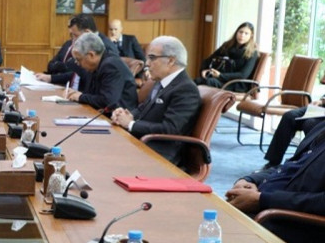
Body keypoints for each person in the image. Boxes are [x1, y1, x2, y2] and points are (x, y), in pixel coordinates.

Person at [227, 119, 325, 243]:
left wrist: (262, 200)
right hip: (264, 208)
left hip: (292, 225)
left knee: (209, 237)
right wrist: (250, 180)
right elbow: (290, 167)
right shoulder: (321, 127)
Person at [111, 36, 201, 166]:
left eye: (152, 58)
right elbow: (143, 108)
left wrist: (130, 124)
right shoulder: (162, 81)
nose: (147, 63)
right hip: (144, 142)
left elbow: (170, 129)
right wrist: (126, 115)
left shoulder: (186, 89)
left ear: (171, 60)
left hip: (160, 153)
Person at [36, 14, 117, 87]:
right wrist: (51, 78)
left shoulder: (104, 48)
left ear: (87, 32)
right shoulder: (87, 43)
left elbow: (87, 76)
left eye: (75, 35)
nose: (73, 40)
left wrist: (80, 96)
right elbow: (78, 73)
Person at [65, 32, 138, 112]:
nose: (77, 63)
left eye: (78, 59)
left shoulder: (110, 65)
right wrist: (77, 94)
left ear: (91, 55)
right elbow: (92, 94)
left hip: (118, 115)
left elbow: (108, 101)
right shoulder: (95, 65)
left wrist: (80, 97)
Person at [262, 96, 325, 168]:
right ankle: (273, 162)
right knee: (289, 116)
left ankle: (299, 165)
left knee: (309, 123)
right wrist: (322, 100)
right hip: (322, 108)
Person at [194, 22, 258, 92]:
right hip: (220, 78)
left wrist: (220, 75)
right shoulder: (227, 45)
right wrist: (205, 69)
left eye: (246, 33)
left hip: (236, 84)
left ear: (251, 36)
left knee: (208, 82)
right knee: (196, 81)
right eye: (240, 32)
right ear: (236, 32)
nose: (242, 35)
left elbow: (243, 75)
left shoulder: (252, 52)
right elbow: (209, 59)